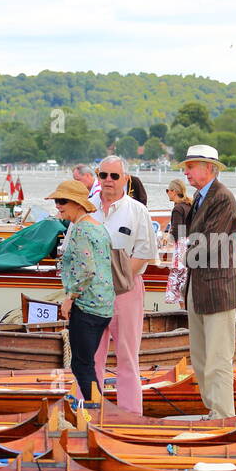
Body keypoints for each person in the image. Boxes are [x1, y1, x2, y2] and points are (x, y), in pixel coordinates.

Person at [179, 144, 236, 418]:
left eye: (191, 166)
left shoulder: (222, 197)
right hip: (200, 284)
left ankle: (223, 416)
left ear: (209, 168)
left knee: (217, 358)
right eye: (187, 167)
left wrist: (181, 250)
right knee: (201, 357)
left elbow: (208, 243)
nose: (186, 171)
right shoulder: (200, 197)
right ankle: (213, 411)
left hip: (218, 287)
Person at [92, 156, 157, 414]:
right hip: (91, 294)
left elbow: (145, 251)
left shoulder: (138, 211)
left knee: (127, 358)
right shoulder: (86, 207)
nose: (108, 180)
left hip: (126, 292)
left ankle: (130, 416)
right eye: (103, 175)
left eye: (114, 176)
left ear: (125, 180)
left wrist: (117, 278)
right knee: (90, 357)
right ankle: (89, 411)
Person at [49, 178, 114, 401]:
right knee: (87, 363)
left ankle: (98, 412)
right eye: (57, 201)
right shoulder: (98, 226)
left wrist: (70, 298)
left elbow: (86, 270)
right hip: (104, 306)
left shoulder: (81, 230)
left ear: (78, 203)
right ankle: (98, 409)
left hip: (87, 306)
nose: (58, 205)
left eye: (62, 201)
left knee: (81, 364)